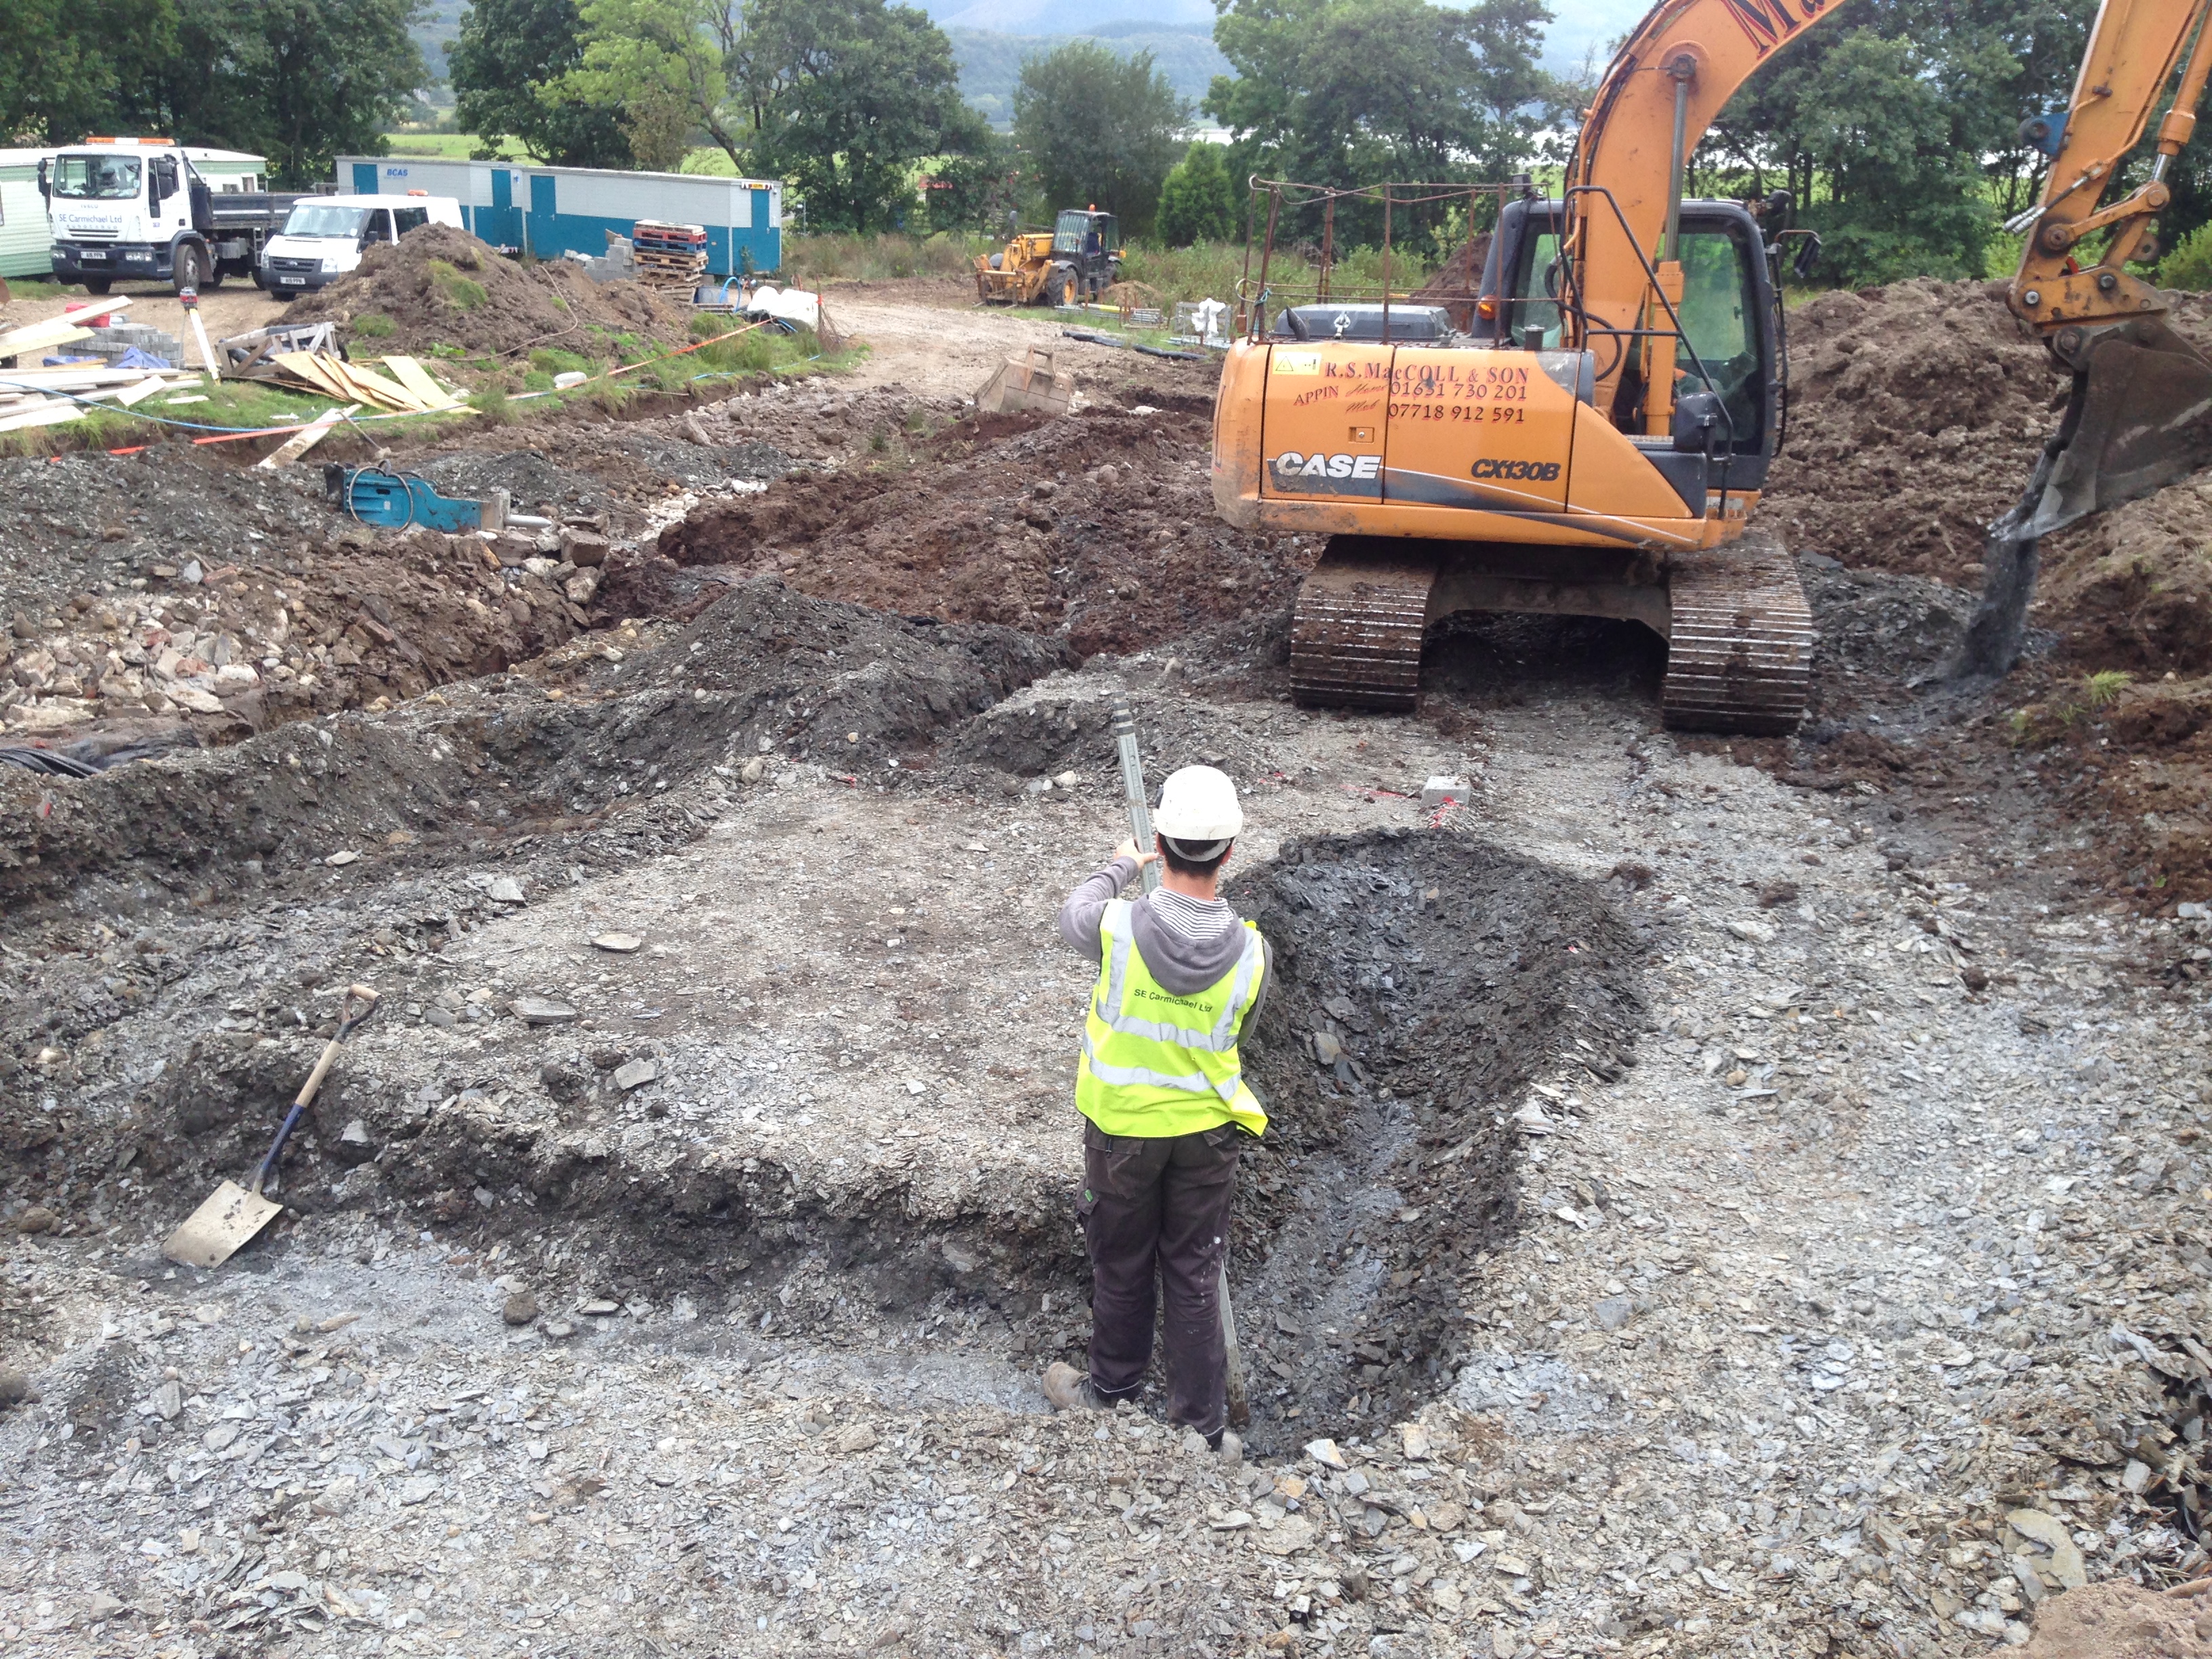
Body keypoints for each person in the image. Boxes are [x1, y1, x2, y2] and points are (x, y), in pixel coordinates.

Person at [1042, 765, 1270, 1454]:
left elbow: (1070, 915)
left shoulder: (1114, 927)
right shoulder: (1254, 953)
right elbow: (1243, 1034)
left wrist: (1118, 865)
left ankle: (1110, 1394)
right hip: (1206, 1134)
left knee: (1122, 1261)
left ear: (1159, 844)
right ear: (1229, 853)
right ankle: (1201, 1429)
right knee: (1195, 1269)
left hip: (1123, 1136)